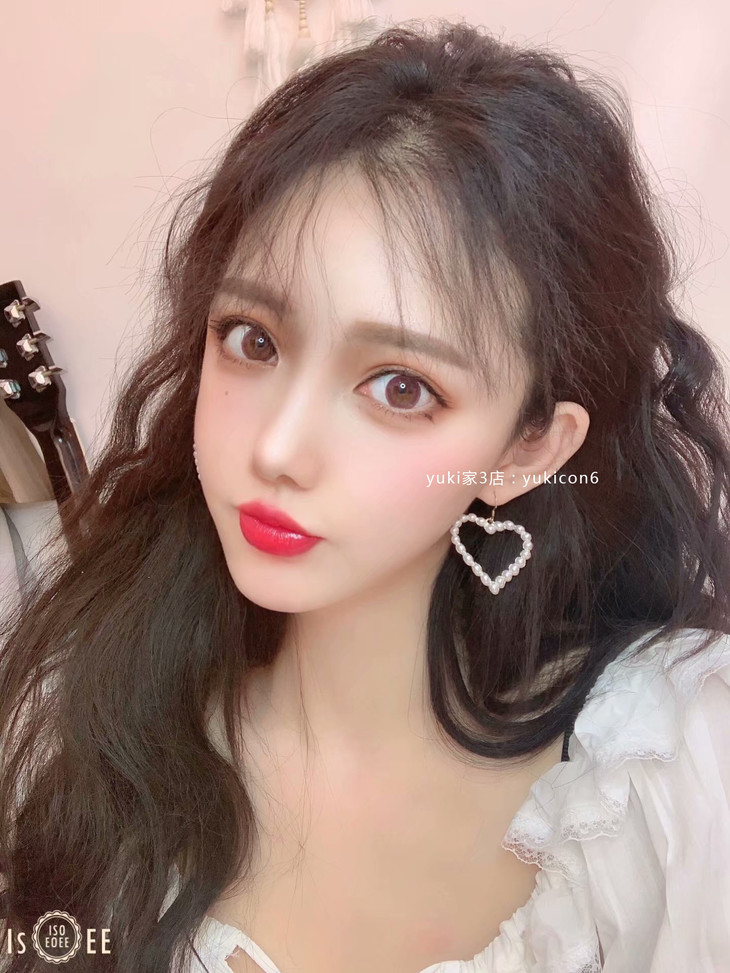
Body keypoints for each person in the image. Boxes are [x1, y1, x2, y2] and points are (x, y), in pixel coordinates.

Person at [1, 18, 730, 973]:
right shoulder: (98, 720)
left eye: (400, 387)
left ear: (527, 449)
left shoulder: (665, 773)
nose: (276, 448)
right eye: (254, 340)